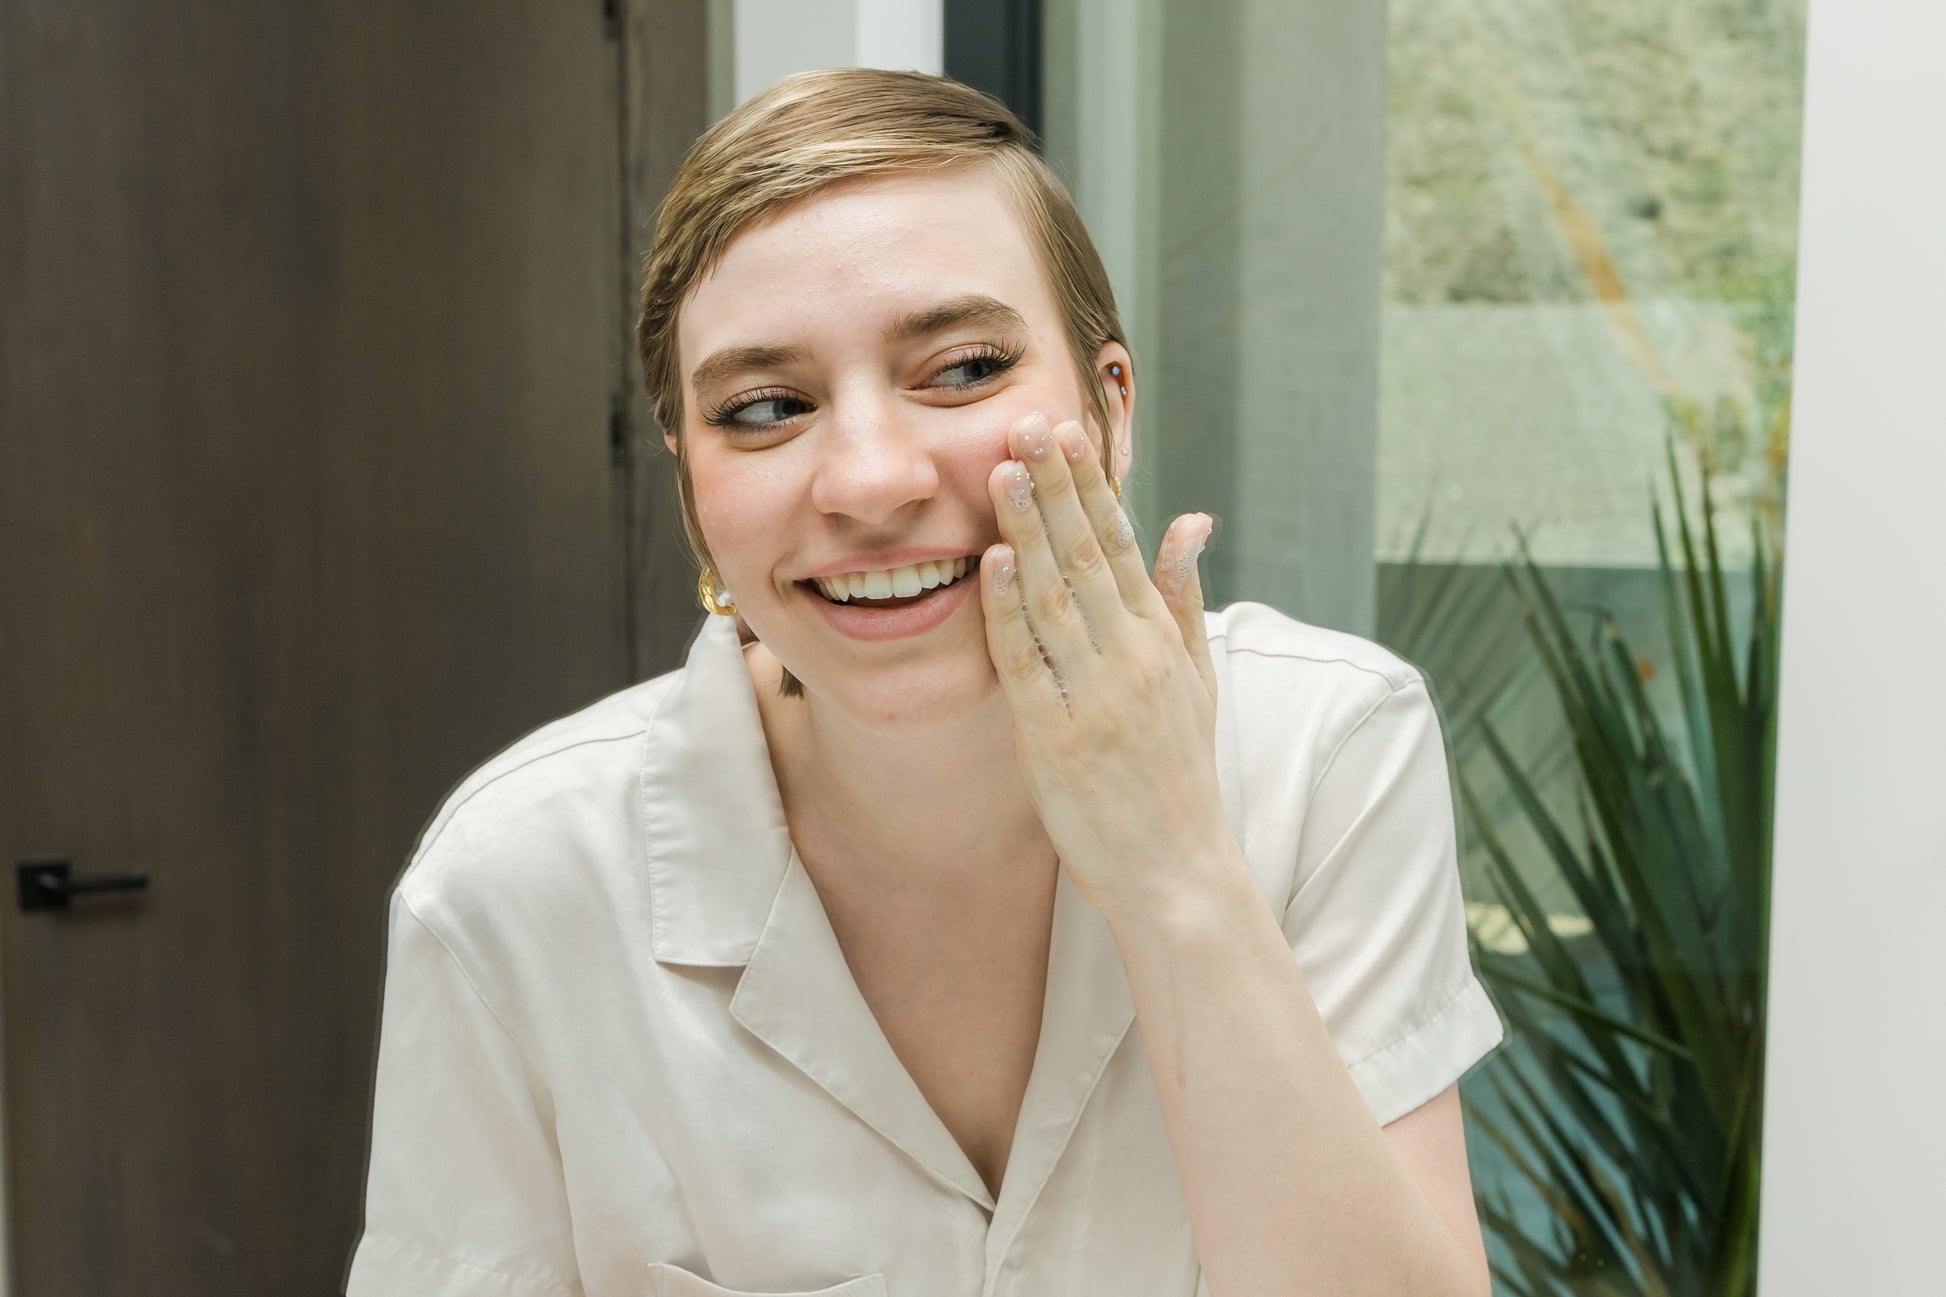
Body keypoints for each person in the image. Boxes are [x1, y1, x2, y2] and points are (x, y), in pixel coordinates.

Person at [346, 68, 1505, 1297]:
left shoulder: (1323, 753)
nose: (867, 480)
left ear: (1110, 409)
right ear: (689, 482)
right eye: (766, 407)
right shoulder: (516, 885)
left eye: (959, 371)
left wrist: (1175, 870)